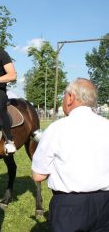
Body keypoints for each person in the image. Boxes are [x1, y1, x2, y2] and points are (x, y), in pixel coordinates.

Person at [31, 78, 109, 232]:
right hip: (105, 203)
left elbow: (38, 176)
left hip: (70, 207)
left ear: (71, 97)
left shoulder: (56, 129)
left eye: (64, 95)